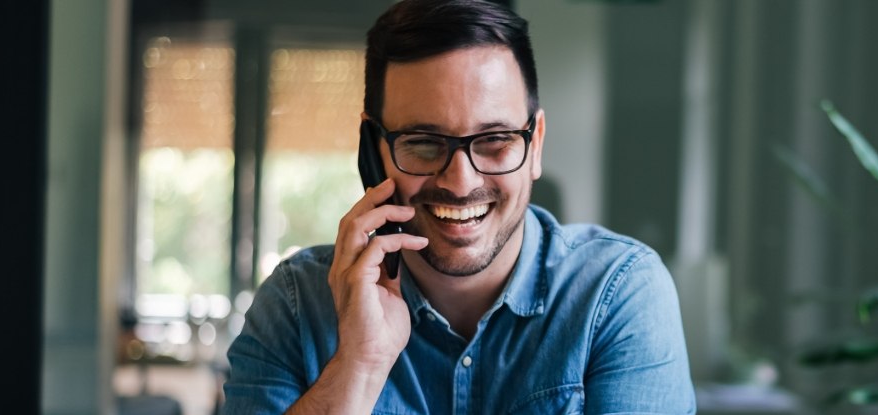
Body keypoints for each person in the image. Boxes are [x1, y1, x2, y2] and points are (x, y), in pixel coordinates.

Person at [220, 0, 695, 413]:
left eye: (494, 140)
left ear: (536, 145)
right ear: (373, 150)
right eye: (424, 142)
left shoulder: (618, 293)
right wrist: (359, 366)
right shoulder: (295, 304)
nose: (460, 181)